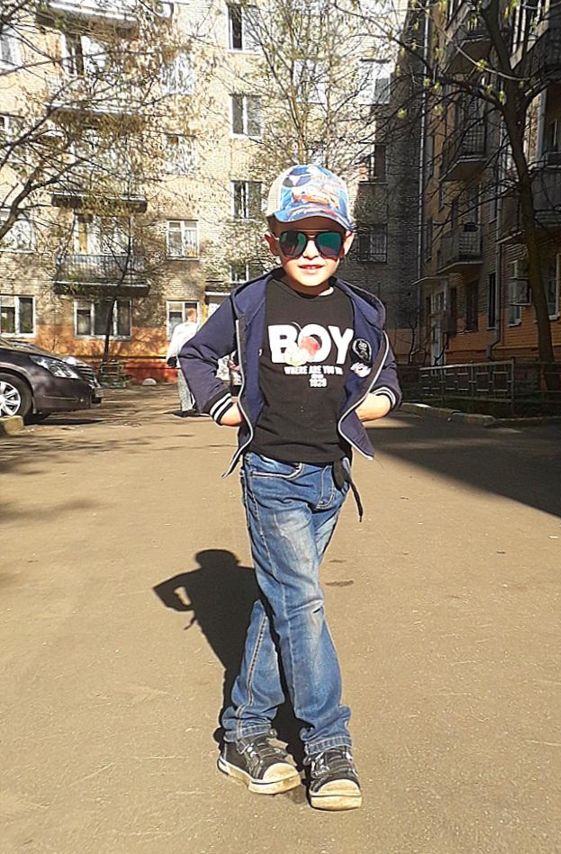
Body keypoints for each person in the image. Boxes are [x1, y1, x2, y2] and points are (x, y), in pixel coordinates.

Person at [179, 164, 401, 811]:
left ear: (346, 242)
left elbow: (385, 380)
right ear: (272, 239)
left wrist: (373, 405)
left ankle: (244, 732)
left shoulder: (361, 310)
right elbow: (195, 356)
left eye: (325, 238)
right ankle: (327, 741)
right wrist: (220, 405)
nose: (310, 251)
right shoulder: (252, 303)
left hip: (332, 478)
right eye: (295, 237)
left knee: (280, 600)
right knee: (302, 602)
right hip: (272, 473)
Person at [166, 307, 199, 416]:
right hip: (194, 360)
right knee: (195, 383)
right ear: (193, 316)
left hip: (181, 360)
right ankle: (195, 406)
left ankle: (186, 408)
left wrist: (171, 356)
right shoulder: (197, 327)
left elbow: (174, 343)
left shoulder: (178, 328)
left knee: (183, 385)